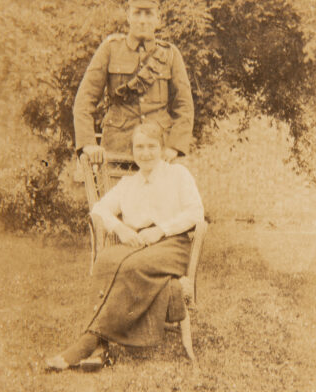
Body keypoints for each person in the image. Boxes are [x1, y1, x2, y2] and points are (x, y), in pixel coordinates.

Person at [45, 121, 204, 371]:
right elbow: (100, 208)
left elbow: (195, 213)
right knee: (106, 260)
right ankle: (99, 348)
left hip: (172, 245)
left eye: (151, 146)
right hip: (137, 242)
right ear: (133, 151)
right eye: (139, 147)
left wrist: (161, 230)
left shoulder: (178, 175)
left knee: (133, 266)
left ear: (162, 149)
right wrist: (120, 229)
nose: (145, 153)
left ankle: (88, 342)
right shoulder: (129, 184)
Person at [74, 0, 194, 163]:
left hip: (158, 153)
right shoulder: (110, 49)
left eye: (149, 13)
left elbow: (184, 107)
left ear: (158, 18)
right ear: (128, 15)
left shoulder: (170, 54)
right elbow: (84, 100)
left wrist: (174, 147)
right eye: (137, 13)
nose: (142, 20)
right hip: (116, 150)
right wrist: (88, 144)